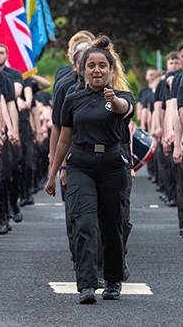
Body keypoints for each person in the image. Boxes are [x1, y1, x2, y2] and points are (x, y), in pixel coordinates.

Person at [45, 35, 134, 305]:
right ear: (82, 70)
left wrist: (113, 101)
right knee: (83, 223)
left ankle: (113, 280)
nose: (97, 70)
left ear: (111, 70)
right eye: (91, 66)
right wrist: (53, 172)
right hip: (81, 163)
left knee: (112, 224)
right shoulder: (72, 98)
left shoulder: (122, 96)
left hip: (112, 164)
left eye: (102, 66)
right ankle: (85, 284)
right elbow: (64, 138)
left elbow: (124, 109)